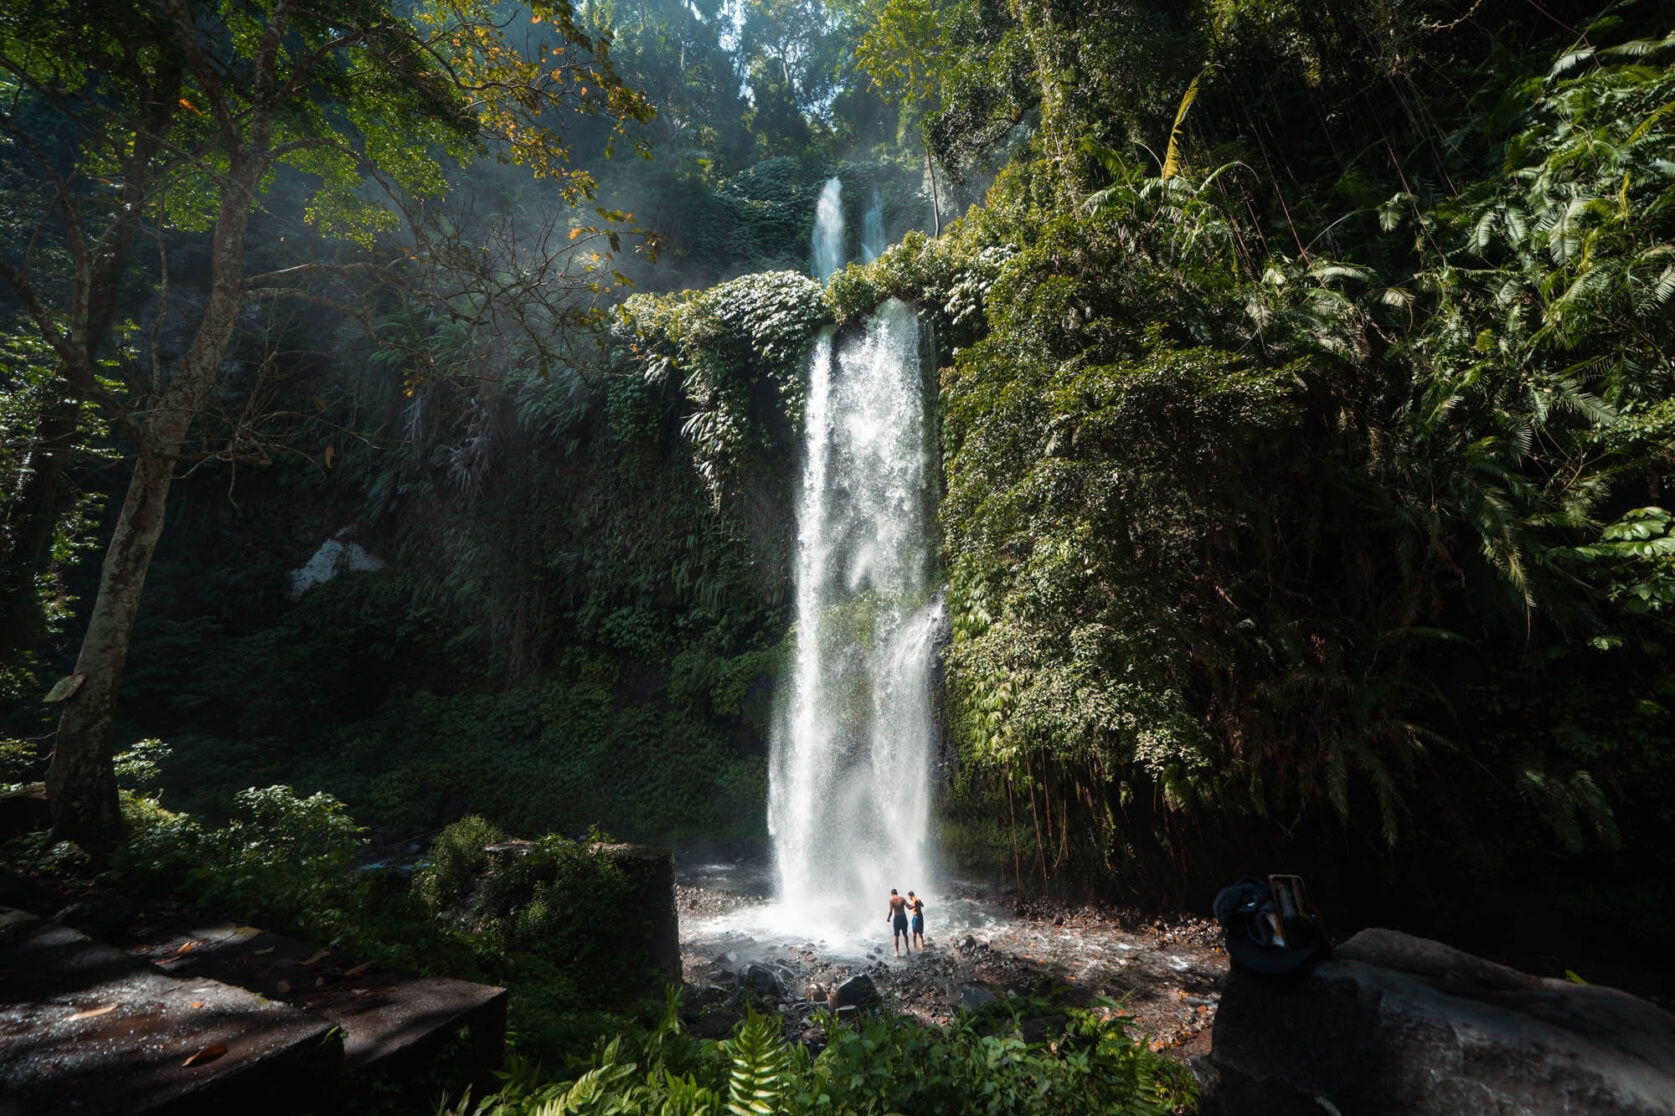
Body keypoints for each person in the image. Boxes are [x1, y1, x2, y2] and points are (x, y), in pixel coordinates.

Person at [887, 888, 910, 955]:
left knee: (896, 935)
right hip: (903, 917)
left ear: (891, 894)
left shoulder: (891, 900)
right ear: (897, 893)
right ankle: (907, 949)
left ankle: (897, 952)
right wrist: (914, 905)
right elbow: (908, 906)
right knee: (905, 934)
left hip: (897, 918)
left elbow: (891, 911)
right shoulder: (902, 898)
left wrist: (888, 918)